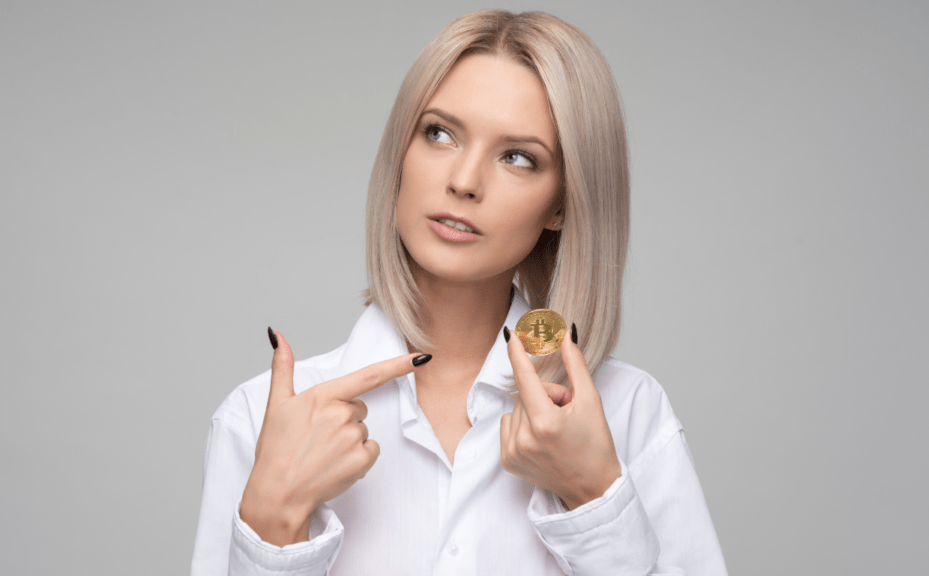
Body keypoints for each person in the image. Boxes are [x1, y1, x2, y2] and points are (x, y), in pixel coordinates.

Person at [191, 9, 727, 576]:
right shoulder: (260, 420)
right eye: (439, 133)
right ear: (402, 148)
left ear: (563, 203)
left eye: (518, 157)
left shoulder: (628, 412)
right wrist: (273, 526)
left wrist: (596, 498)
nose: (465, 181)